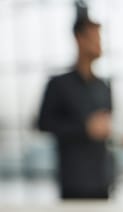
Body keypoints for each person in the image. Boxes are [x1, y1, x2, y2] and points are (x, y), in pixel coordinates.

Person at [38, 11, 114, 199]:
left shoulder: (103, 86)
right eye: (94, 37)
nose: (99, 44)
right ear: (79, 39)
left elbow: (106, 124)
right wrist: (84, 128)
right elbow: (43, 123)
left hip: (102, 179)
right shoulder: (58, 84)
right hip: (74, 181)